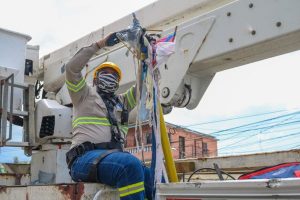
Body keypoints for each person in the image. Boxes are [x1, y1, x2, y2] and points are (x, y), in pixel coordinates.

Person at [65, 33, 153, 200]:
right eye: (105, 73)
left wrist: (146, 55)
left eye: (114, 75)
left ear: (118, 82)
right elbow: (71, 68)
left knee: (153, 178)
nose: (109, 76)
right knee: (130, 165)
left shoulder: (122, 102)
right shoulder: (83, 94)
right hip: (82, 160)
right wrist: (100, 44)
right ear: (95, 77)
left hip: (111, 159)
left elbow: (142, 84)